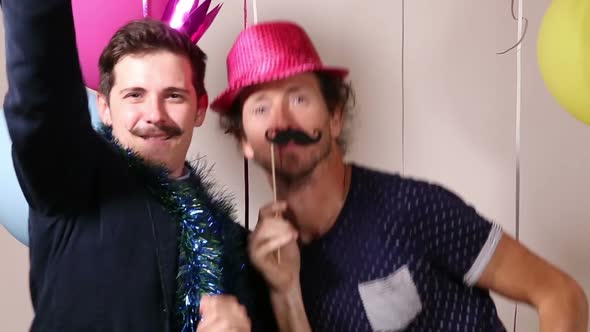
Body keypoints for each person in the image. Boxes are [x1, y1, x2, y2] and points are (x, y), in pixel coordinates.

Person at [211, 21, 589, 331]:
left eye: (298, 99)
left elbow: (559, 294)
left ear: (335, 117)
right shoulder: (264, 259)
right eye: (261, 109)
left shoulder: (412, 207)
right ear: (244, 140)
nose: (281, 122)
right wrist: (285, 291)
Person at [1, 0, 275, 331]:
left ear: (200, 108)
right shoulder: (72, 180)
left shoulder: (239, 246)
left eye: (173, 95)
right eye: (134, 95)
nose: (154, 115)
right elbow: (42, 90)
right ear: (104, 107)